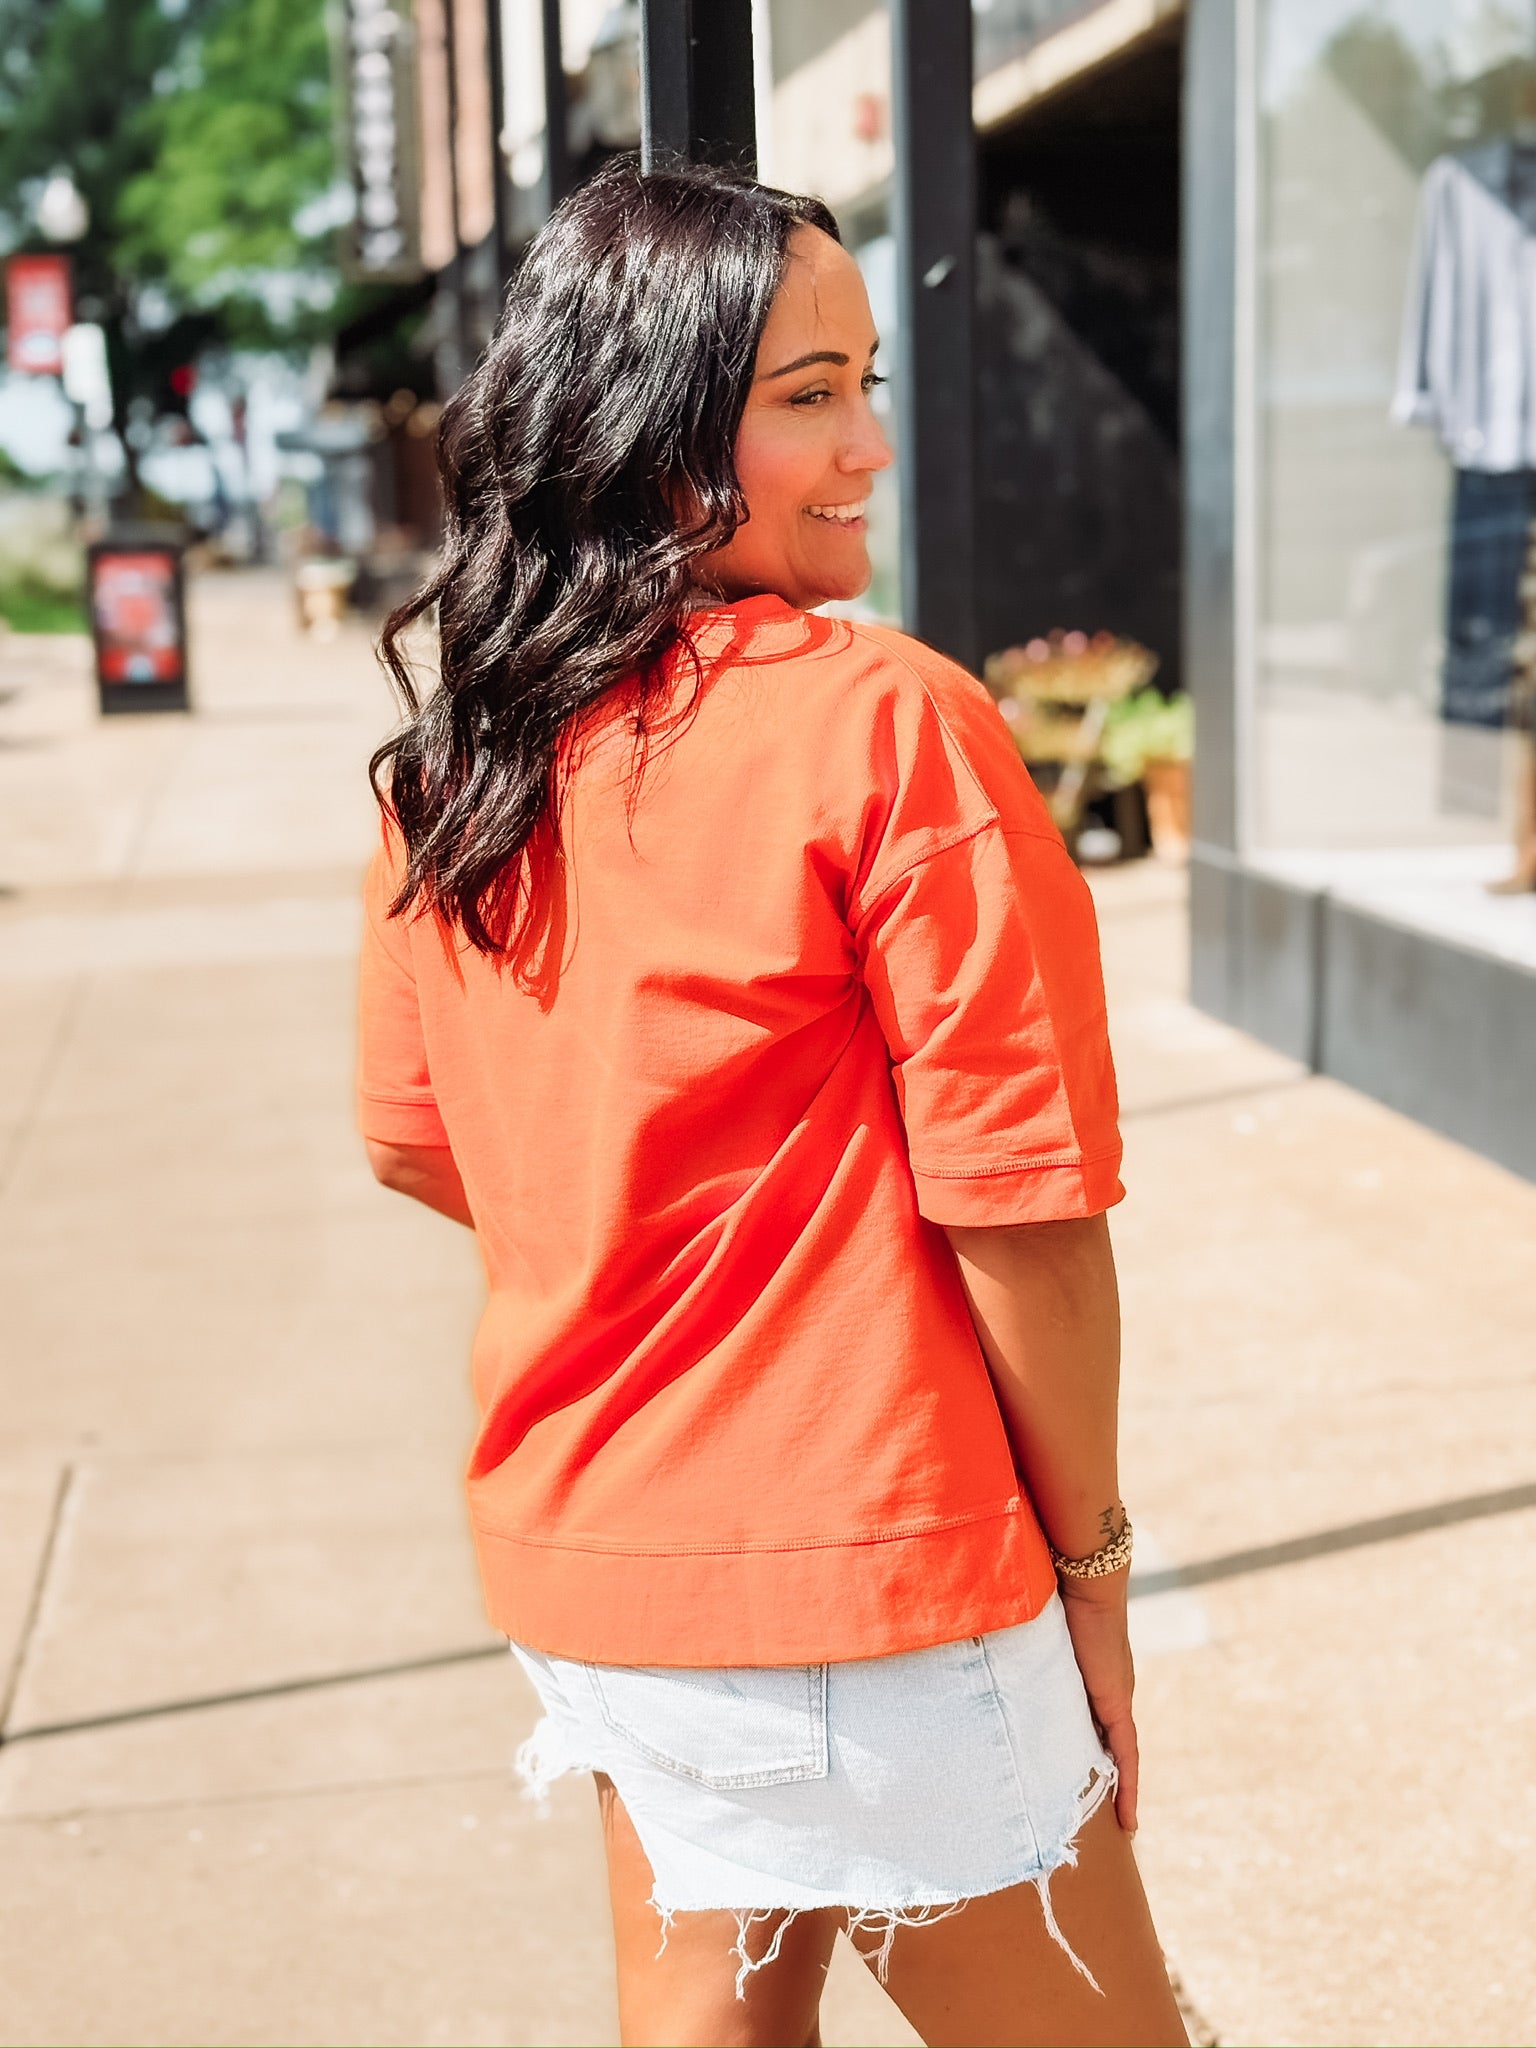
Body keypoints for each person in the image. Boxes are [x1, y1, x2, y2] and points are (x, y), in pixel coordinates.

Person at [358, 159, 1188, 2048]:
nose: (872, 446)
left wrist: (641, 1238)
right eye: (805, 395)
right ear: (647, 420)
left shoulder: (459, 757)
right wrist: (1094, 1579)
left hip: (596, 1554)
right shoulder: (882, 720)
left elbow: (418, 1134)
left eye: (868, 382)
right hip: (869, 1570)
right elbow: (1022, 1206)